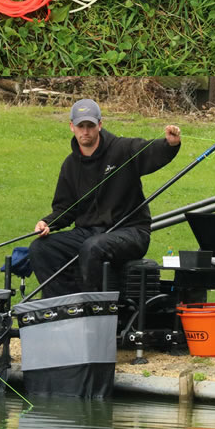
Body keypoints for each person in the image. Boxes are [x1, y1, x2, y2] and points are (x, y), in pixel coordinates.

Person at [29, 99, 181, 297]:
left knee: (93, 248)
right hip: (89, 233)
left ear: (99, 125)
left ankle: (96, 306)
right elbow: (65, 208)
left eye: (90, 125)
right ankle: (65, 305)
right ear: (72, 127)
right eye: (81, 126)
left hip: (131, 232)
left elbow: (150, 151)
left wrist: (169, 144)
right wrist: (47, 222)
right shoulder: (70, 165)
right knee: (41, 248)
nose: (85, 131)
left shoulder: (123, 149)